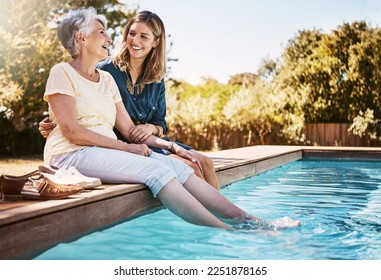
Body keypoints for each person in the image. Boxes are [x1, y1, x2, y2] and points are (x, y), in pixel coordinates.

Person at [42, 7, 300, 230]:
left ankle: (251, 222)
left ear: (155, 42)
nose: (110, 37)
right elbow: (72, 131)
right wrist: (127, 147)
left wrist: (166, 146)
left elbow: (131, 130)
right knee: (156, 169)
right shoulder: (62, 71)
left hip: (105, 150)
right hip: (72, 154)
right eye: (102, 32)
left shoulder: (106, 79)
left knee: (176, 166)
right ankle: (229, 232)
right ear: (81, 38)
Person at [39, 11, 220, 191]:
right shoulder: (106, 69)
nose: (135, 41)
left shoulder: (157, 79)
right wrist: (55, 121)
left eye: (144, 36)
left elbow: (160, 122)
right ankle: (201, 217)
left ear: (155, 42)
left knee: (205, 162)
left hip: (149, 140)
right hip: (118, 143)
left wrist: (154, 128)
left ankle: (224, 216)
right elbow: (80, 100)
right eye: (132, 34)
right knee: (192, 168)